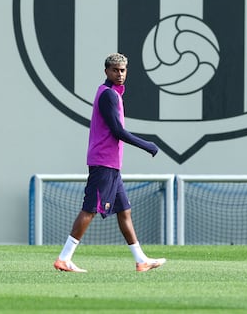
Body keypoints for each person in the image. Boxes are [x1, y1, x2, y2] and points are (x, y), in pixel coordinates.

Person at [54, 53, 166, 273]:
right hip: (103, 163)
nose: (120, 74)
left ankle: (141, 260)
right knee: (89, 210)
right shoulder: (108, 95)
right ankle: (64, 258)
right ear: (106, 71)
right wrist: (147, 145)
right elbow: (117, 130)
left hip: (111, 165)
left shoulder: (112, 93)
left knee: (124, 211)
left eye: (123, 70)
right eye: (115, 70)